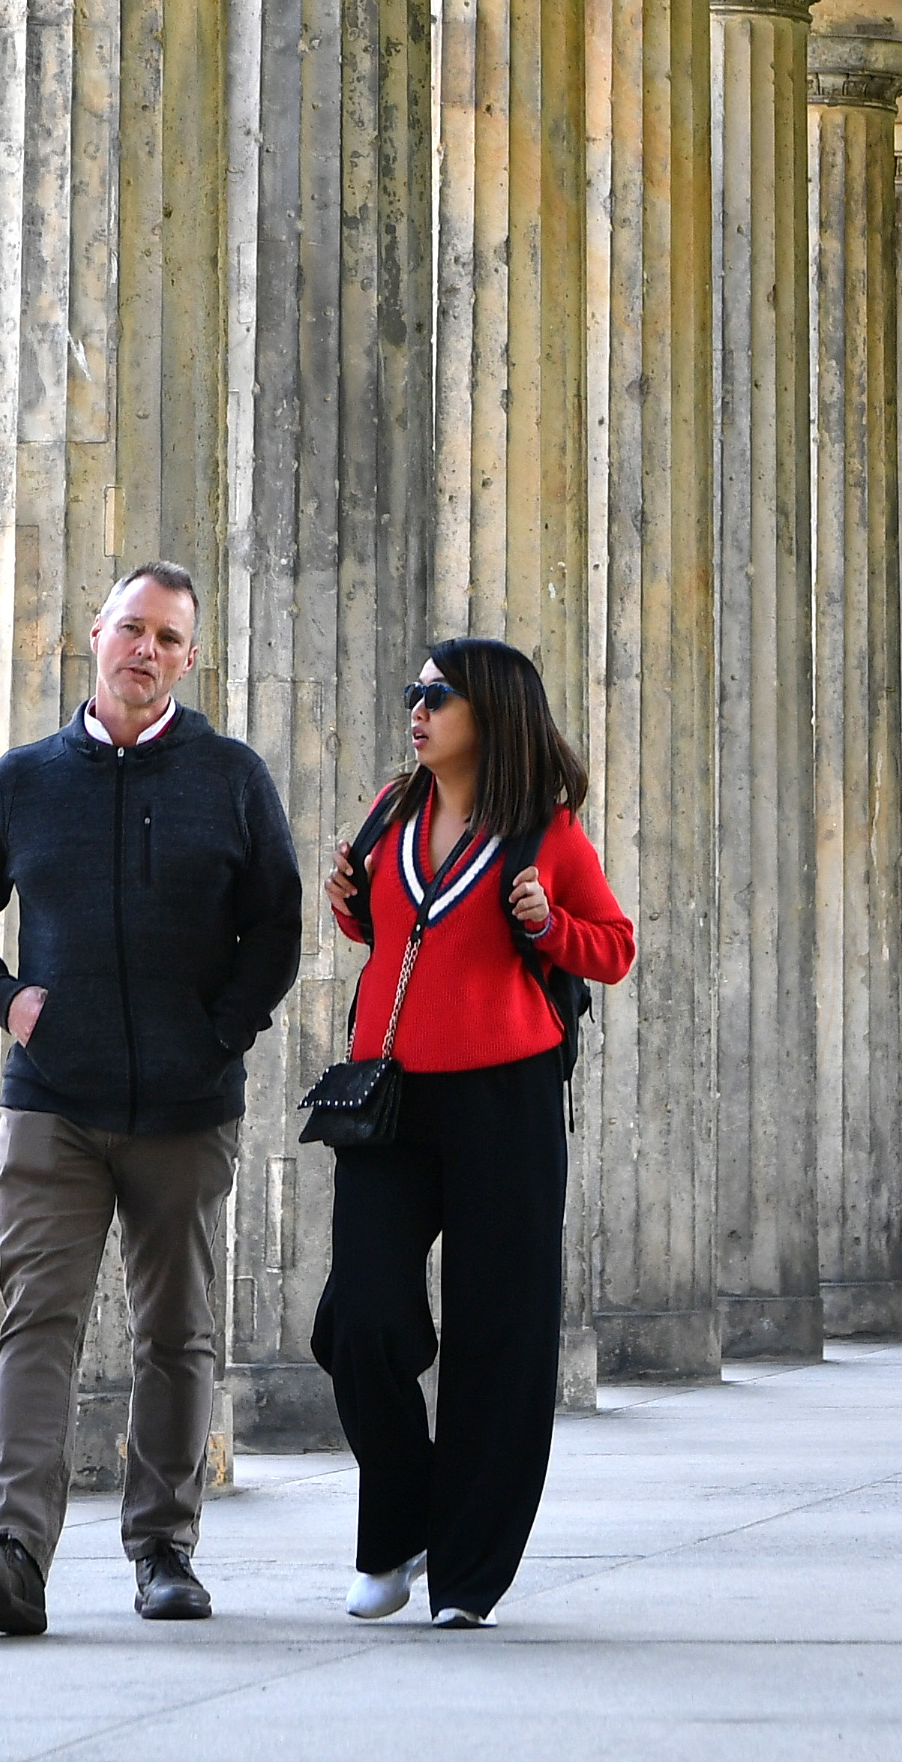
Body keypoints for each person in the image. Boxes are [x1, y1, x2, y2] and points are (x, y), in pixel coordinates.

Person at [0, 563, 302, 1637]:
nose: (146, 650)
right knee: (35, 1325)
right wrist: (6, 999)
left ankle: (164, 1551)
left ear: (189, 659)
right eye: (132, 629)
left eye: (169, 639)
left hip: (188, 1109)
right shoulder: (24, 779)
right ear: (94, 635)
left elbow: (276, 924)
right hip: (53, 1101)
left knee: (176, 1331)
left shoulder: (231, 777)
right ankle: (13, 1555)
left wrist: (221, 1032)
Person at [313, 637, 637, 1629]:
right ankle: (401, 1521)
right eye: (413, 693)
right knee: (358, 1322)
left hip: (506, 1100)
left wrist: (545, 925)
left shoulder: (548, 831)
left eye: (438, 696)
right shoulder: (390, 809)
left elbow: (613, 948)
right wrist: (349, 903)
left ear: (491, 714)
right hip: (391, 1100)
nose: (416, 709)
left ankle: (467, 1575)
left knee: (501, 1335)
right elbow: (390, 934)